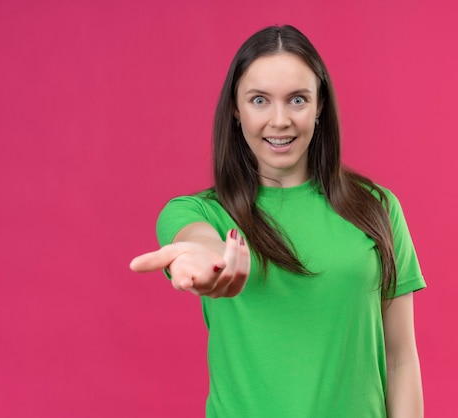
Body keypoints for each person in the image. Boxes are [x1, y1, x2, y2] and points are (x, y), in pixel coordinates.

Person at [130, 25, 426, 418]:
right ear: (236, 109)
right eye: (259, 100)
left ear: (320, 106)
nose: (280, 120)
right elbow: (198, 241)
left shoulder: (377, 208)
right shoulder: (200, 212)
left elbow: (400, 357)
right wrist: (206, 257)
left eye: (297, 100)